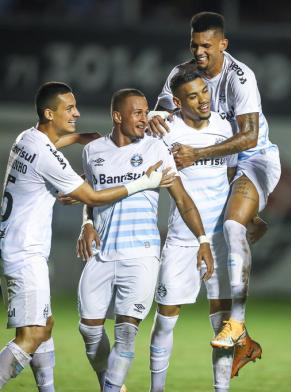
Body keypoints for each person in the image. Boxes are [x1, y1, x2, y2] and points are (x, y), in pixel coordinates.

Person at [0, 82, 174, 391]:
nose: (77, 113)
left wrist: (78, 137)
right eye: (69, 108)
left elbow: (51, 145)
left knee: (45, 326)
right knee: (32, 336)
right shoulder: (48, 158)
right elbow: (92, 197)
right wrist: (145, 182)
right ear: (49, 112)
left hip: (17, 248)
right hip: (25, 252)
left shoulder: (25, 139)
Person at [149, 11, 281, 376]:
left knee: (234, 228)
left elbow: (250, 136)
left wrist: (197, 154)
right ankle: (249, 217)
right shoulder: (182, 74)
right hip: (223, 166)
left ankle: (237, 327)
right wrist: (154, 117)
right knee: (232, 225)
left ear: (223, 44)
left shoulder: (241, 77)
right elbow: (164, 111)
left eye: (207, 45)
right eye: (194, 44)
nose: (200, 52)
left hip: (253, 160)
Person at [75, 88, 214, 392]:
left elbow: (183, 200)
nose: (144, 118)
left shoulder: (155, 149)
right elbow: (91, 193)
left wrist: (202, 239)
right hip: (101, 254)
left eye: (145, 111)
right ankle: (112, 386)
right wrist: (86, 222)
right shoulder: (93, 151)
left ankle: (111, 389)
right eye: (137, 112)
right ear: (117, 116)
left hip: (141, 255)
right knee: (89, 331)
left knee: (125, 335)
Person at [148, 71, 238, 392]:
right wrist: (149, 116)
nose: (203, 100)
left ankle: (221, 389)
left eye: (204, 92)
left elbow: (230, 176)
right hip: (182, 241)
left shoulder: (223, 128)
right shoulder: (165, 130)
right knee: (165, 320)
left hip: (220, 242)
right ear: (176, 102)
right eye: (192, 96)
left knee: (224, 324)